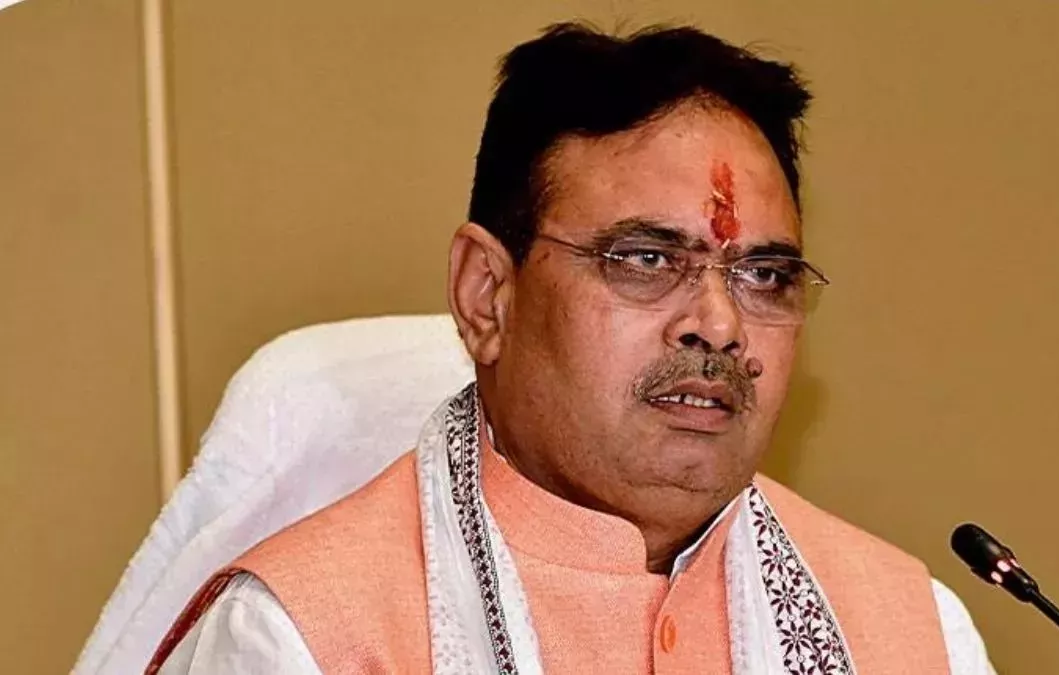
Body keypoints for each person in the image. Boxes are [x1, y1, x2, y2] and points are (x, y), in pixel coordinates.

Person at [150, 22, 995, 674]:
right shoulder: (300, 638)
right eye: (646, 259)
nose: (720, 323)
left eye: (764, 275)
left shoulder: (913, 632)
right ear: (486, 295)